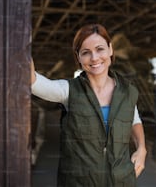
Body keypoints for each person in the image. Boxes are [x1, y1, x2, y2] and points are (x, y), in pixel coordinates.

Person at [31, 23, 147, 186]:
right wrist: (22, 42)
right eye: (86, 52)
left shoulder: (127, 91)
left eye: (100, 49)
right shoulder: (68, 90)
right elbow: (34, 82)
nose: (94, 58)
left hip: (121, 181)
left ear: (110, 50)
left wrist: (141, 148)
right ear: (78, 57)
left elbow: (134, 120)